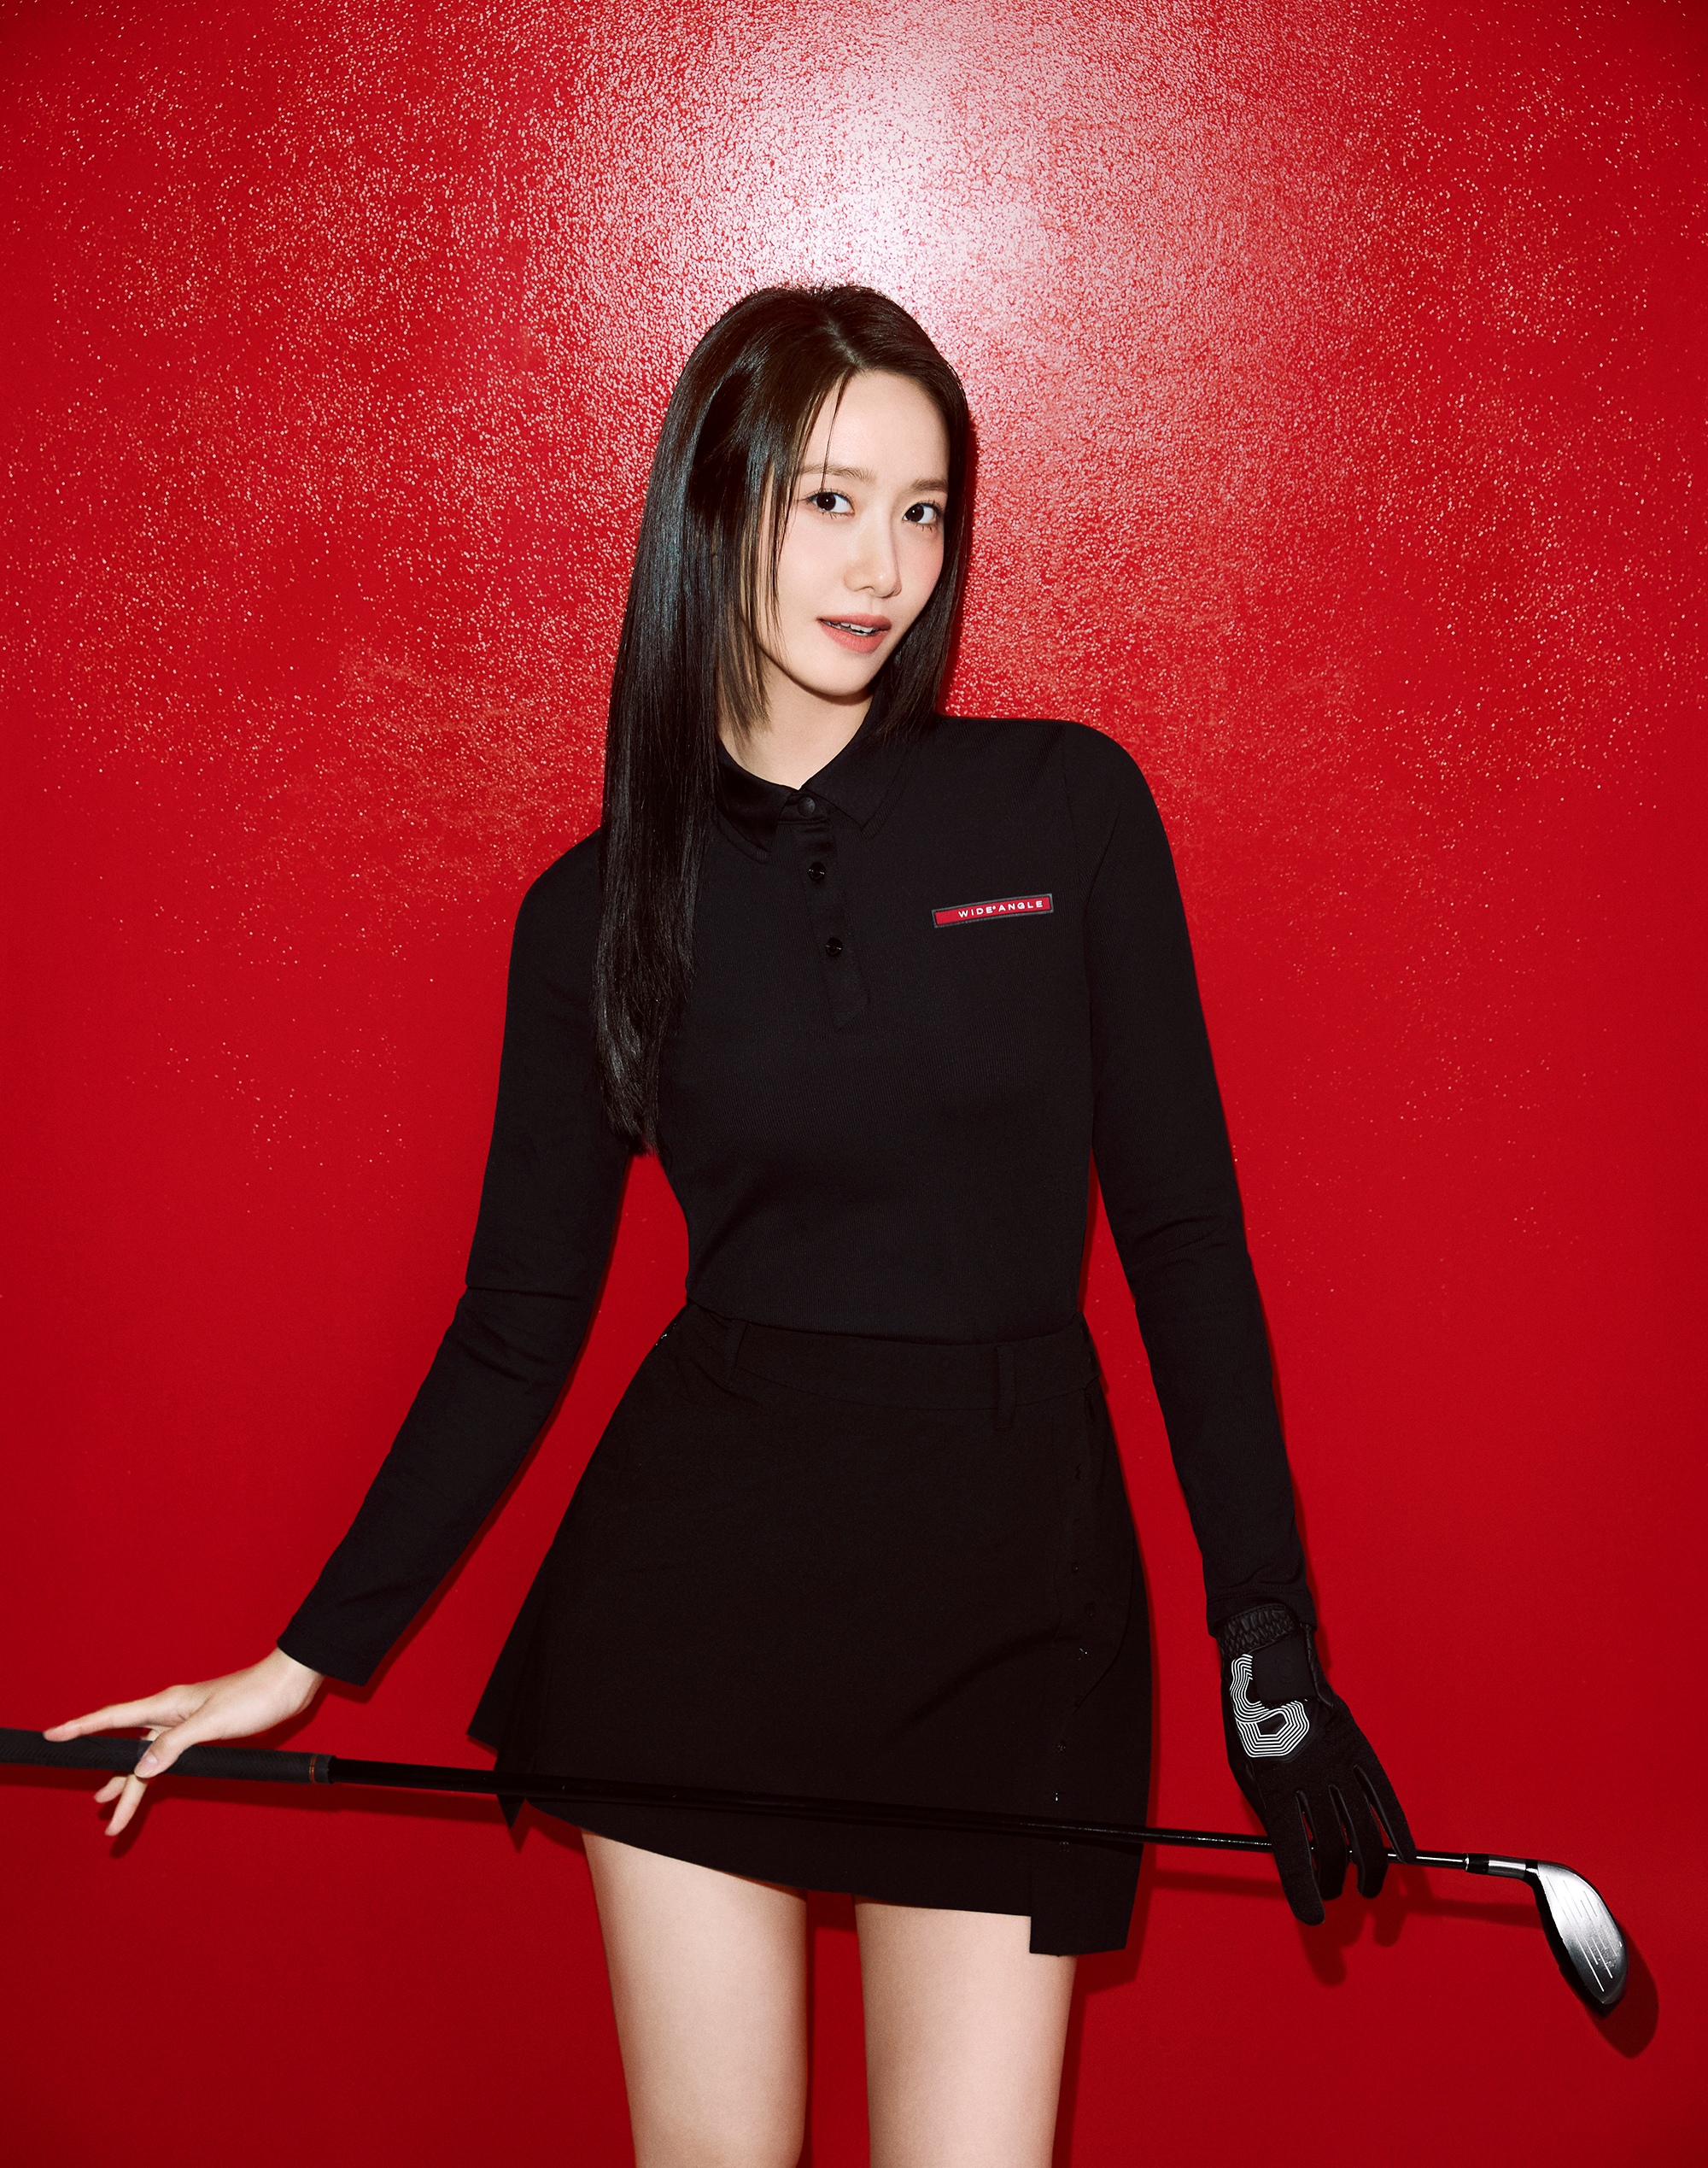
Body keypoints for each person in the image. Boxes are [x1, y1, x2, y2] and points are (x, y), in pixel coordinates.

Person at [48, 284, 1413, 2168]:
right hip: (692, 1626)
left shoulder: (1067, 810)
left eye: (923, 510)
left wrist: (1266, 1633)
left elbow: (1183, 1236)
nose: (885, 567)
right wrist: (307, 1652)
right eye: (829, 502)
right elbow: (517, 1319)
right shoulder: (598, 907)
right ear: (717, 505)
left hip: (1017, 1609)